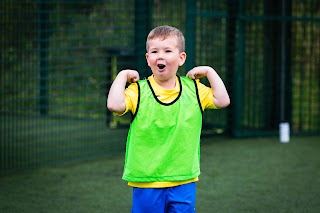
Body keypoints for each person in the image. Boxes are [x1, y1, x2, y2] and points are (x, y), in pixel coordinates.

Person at [107, 25, 230, 213]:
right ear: (148, 59)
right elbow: (115, 105)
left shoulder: (194, 89)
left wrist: (209, 72)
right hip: (147, 180)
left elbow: (222, 100)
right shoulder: (138, 90)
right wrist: (122, 76)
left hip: (184, 178)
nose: (160, 56)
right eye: (155, 51)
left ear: (181, 58)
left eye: (167, 51)